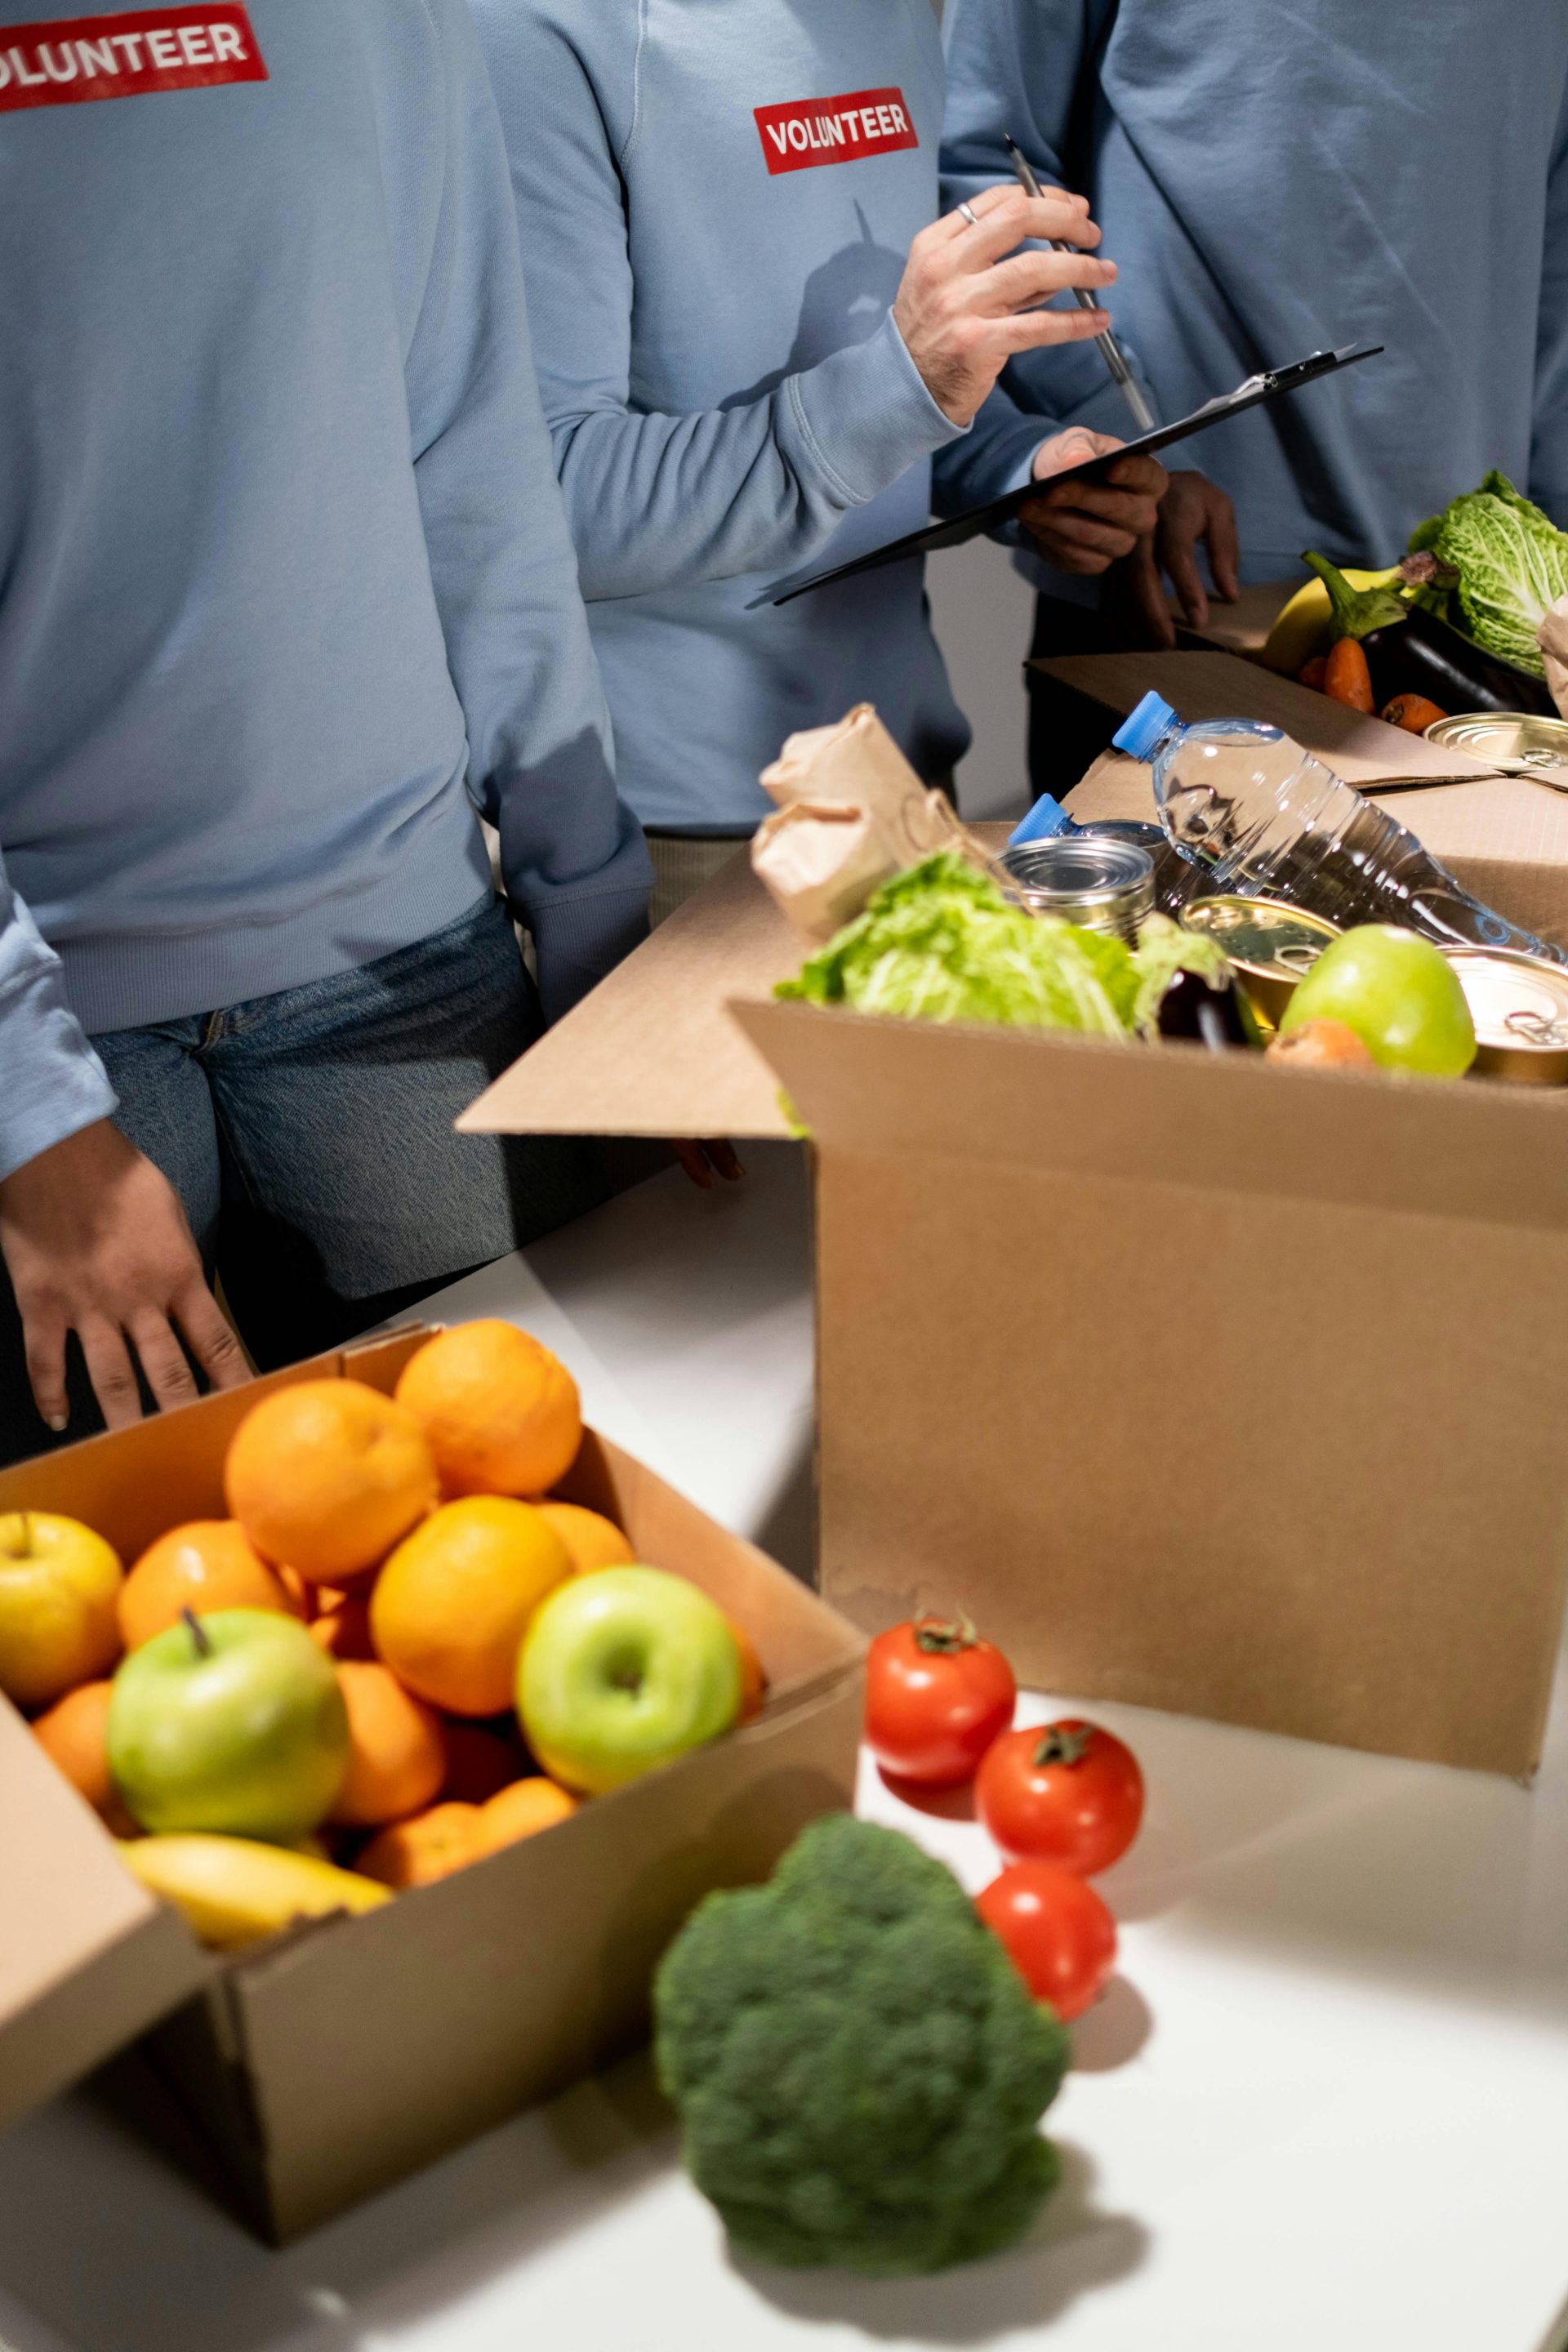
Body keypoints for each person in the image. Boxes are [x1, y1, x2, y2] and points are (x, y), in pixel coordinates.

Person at [0, 0, 651, 1468]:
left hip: (406, 962)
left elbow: (473, 454)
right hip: (51, 1008)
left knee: (520, 1529)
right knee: (107, 1586)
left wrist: (590, 904)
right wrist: (21, 1107)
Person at [468, 0, 1169, 916]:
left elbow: (870, 376)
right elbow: (547, 505)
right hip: (672, 829)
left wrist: (1017, 465)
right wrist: (903, 384)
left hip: (902, 776)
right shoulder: (530, 32)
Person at [942, 0, 1568, 663]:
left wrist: (1551, 536)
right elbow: (985, 174)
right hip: (1189, 583)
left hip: (1494, 602)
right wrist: (1123, 450)